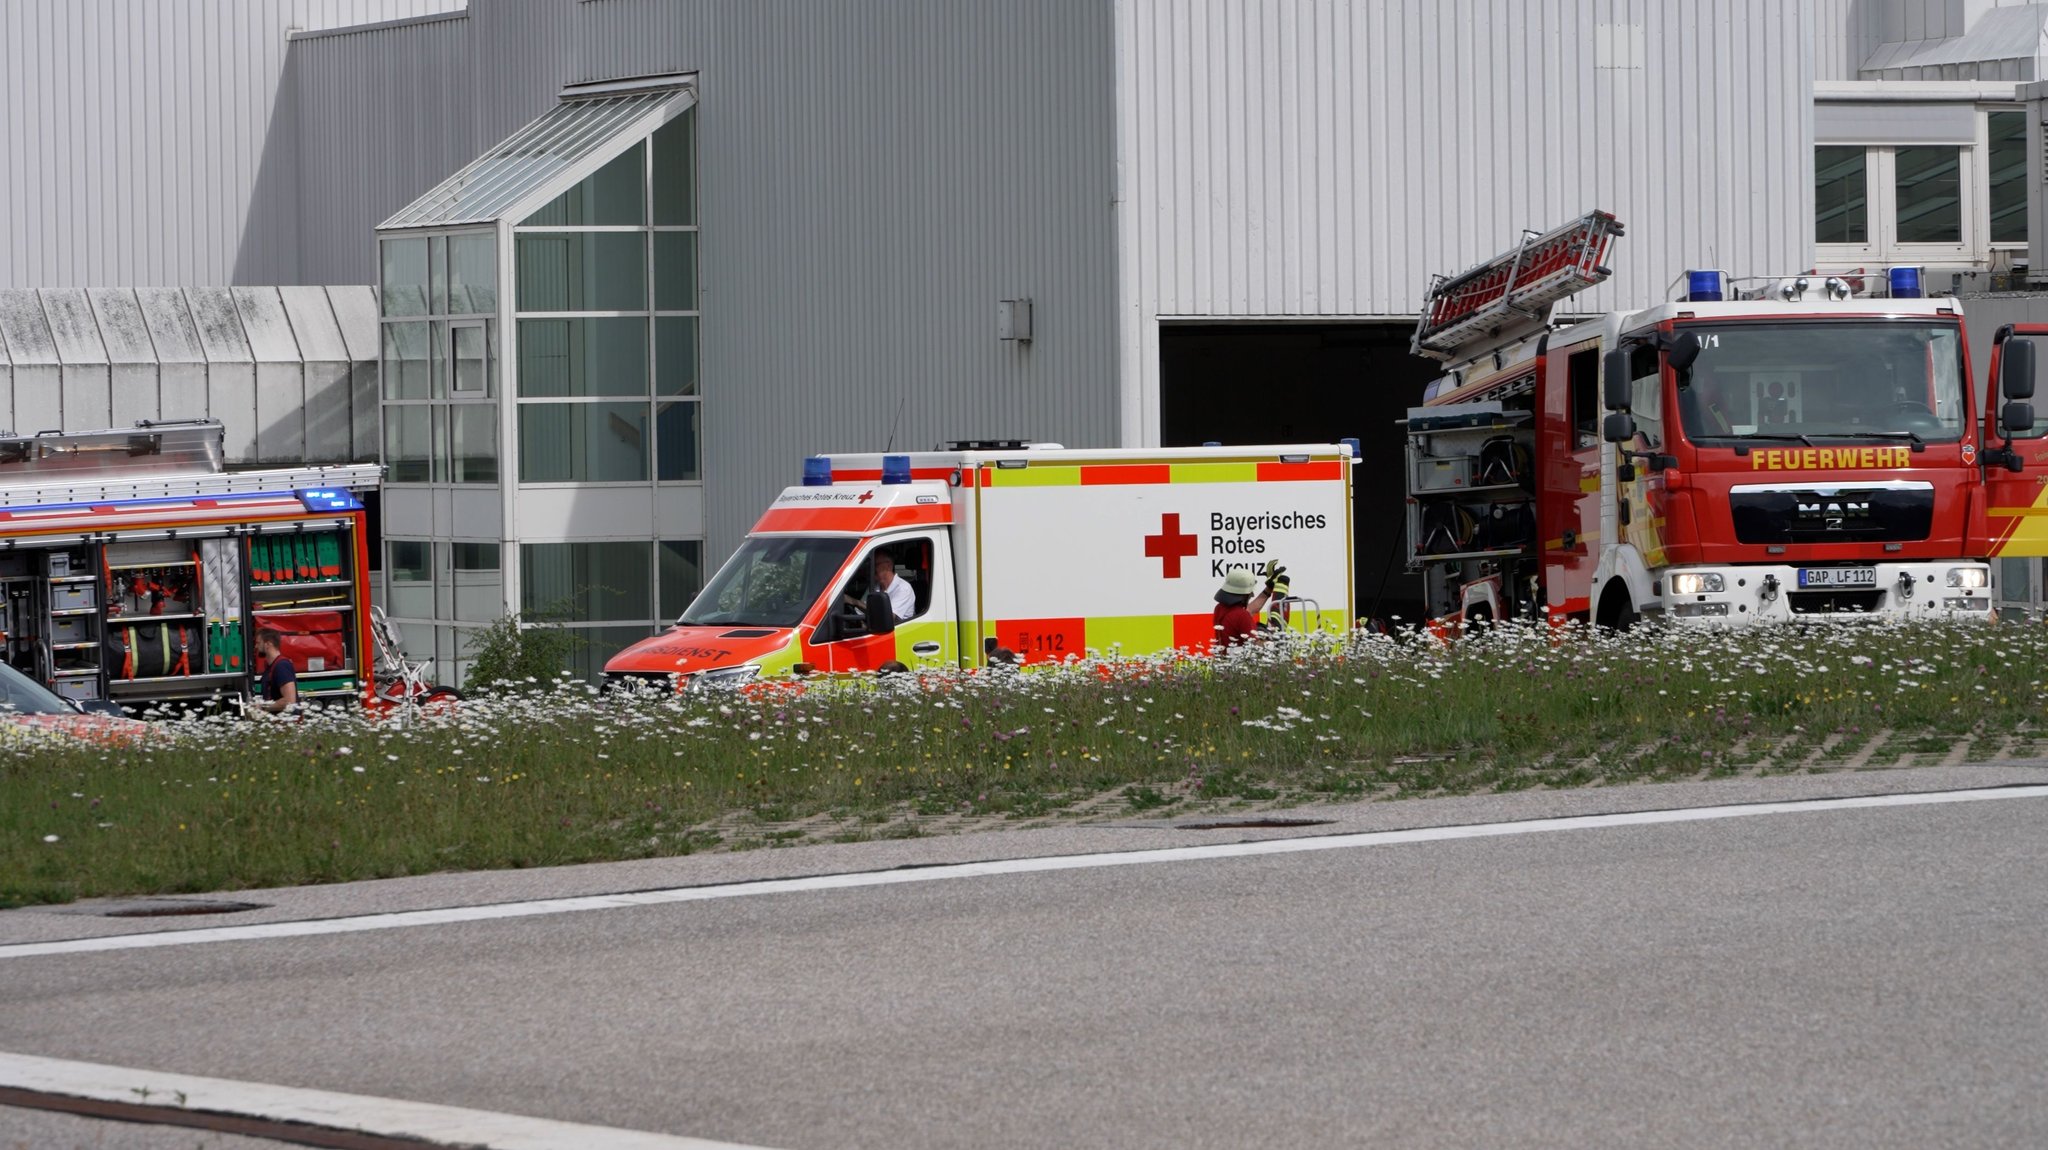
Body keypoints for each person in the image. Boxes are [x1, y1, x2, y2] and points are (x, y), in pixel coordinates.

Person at [1212, 561, 1285, 650]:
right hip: (1242, 661)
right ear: (1244, 594)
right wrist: (1276, 642)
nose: (1252, 595)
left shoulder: (1220, 608)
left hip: (1225, 658)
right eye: (1250, 593)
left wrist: (1268, 589)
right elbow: (1255, 644)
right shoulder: (1242, 615)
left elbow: (1250, 610)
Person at [843, 552, 916, 622]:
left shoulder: (903, 588)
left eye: (875, 564)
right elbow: (860, 612)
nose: (871, 568)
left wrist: (855, 602)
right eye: (870, 565)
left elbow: (888, 618)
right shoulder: (875, 586)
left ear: (889, 566)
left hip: (899, 633)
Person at [249, 627, 298, 715]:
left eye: (258, 643)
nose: (256, 647)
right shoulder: (271, 666)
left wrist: (262, 707)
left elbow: (289, 701)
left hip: (286, 724)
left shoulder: (281, 666)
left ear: (268, 644)